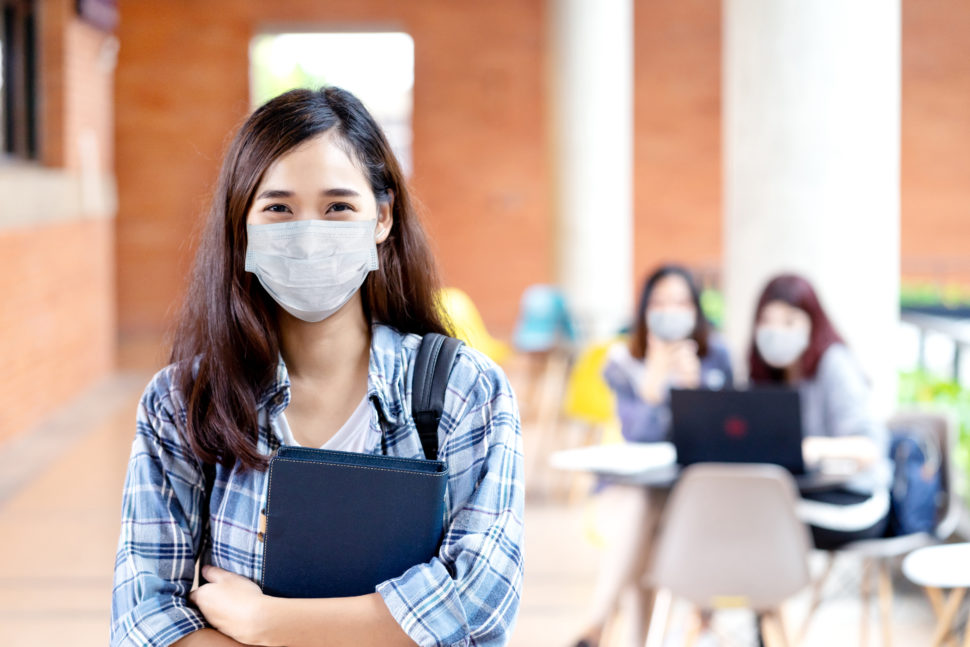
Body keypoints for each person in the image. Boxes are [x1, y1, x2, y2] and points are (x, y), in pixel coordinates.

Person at [110, 87, 524, 647]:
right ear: (243, 227)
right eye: (278, 208)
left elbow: (479, 602)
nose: (308, 236)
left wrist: (267, 625)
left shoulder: (463, 391)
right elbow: (143, 621)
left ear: (382, 218)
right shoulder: (182, 402)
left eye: (338, 207)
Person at [573, 265, 734, 647]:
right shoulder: (622, 361)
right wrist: (653, 385)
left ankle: (595, 628)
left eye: (680, 302)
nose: (670, 311)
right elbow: (639, 436)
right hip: (633, 491)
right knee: (640, 503)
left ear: (696, 309)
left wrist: (695, 392)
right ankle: (602, 627)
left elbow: (722, 436)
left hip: (696, 495)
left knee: (643, 526)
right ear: (644, 309)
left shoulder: (717, 356)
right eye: (660, 302)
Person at [748, 273, 891, 549]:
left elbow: (870, 448)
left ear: (812, 323)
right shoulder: (771, 377)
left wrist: (810, 448)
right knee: (738, 508)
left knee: (755, 519)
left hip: (856, 498)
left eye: (789, 322)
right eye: (767, 322)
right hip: (801, 493)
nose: (777, 332)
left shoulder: (835, 363)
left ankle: (763, 593)